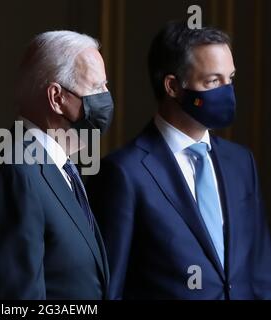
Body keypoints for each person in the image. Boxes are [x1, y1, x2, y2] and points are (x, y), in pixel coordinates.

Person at [87, 21, 271, 299]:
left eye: (230, 79)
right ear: (173, 86)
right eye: (213, 81)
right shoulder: (125, 172)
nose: (228, 91)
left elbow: (260, 271)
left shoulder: (241, 162)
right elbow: (112, 287)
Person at [0, 31, 113, 299]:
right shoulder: (15, 173)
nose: (106, 98)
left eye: (106, 86)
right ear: (56, 98)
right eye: (96, 88)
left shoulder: (59, 168)